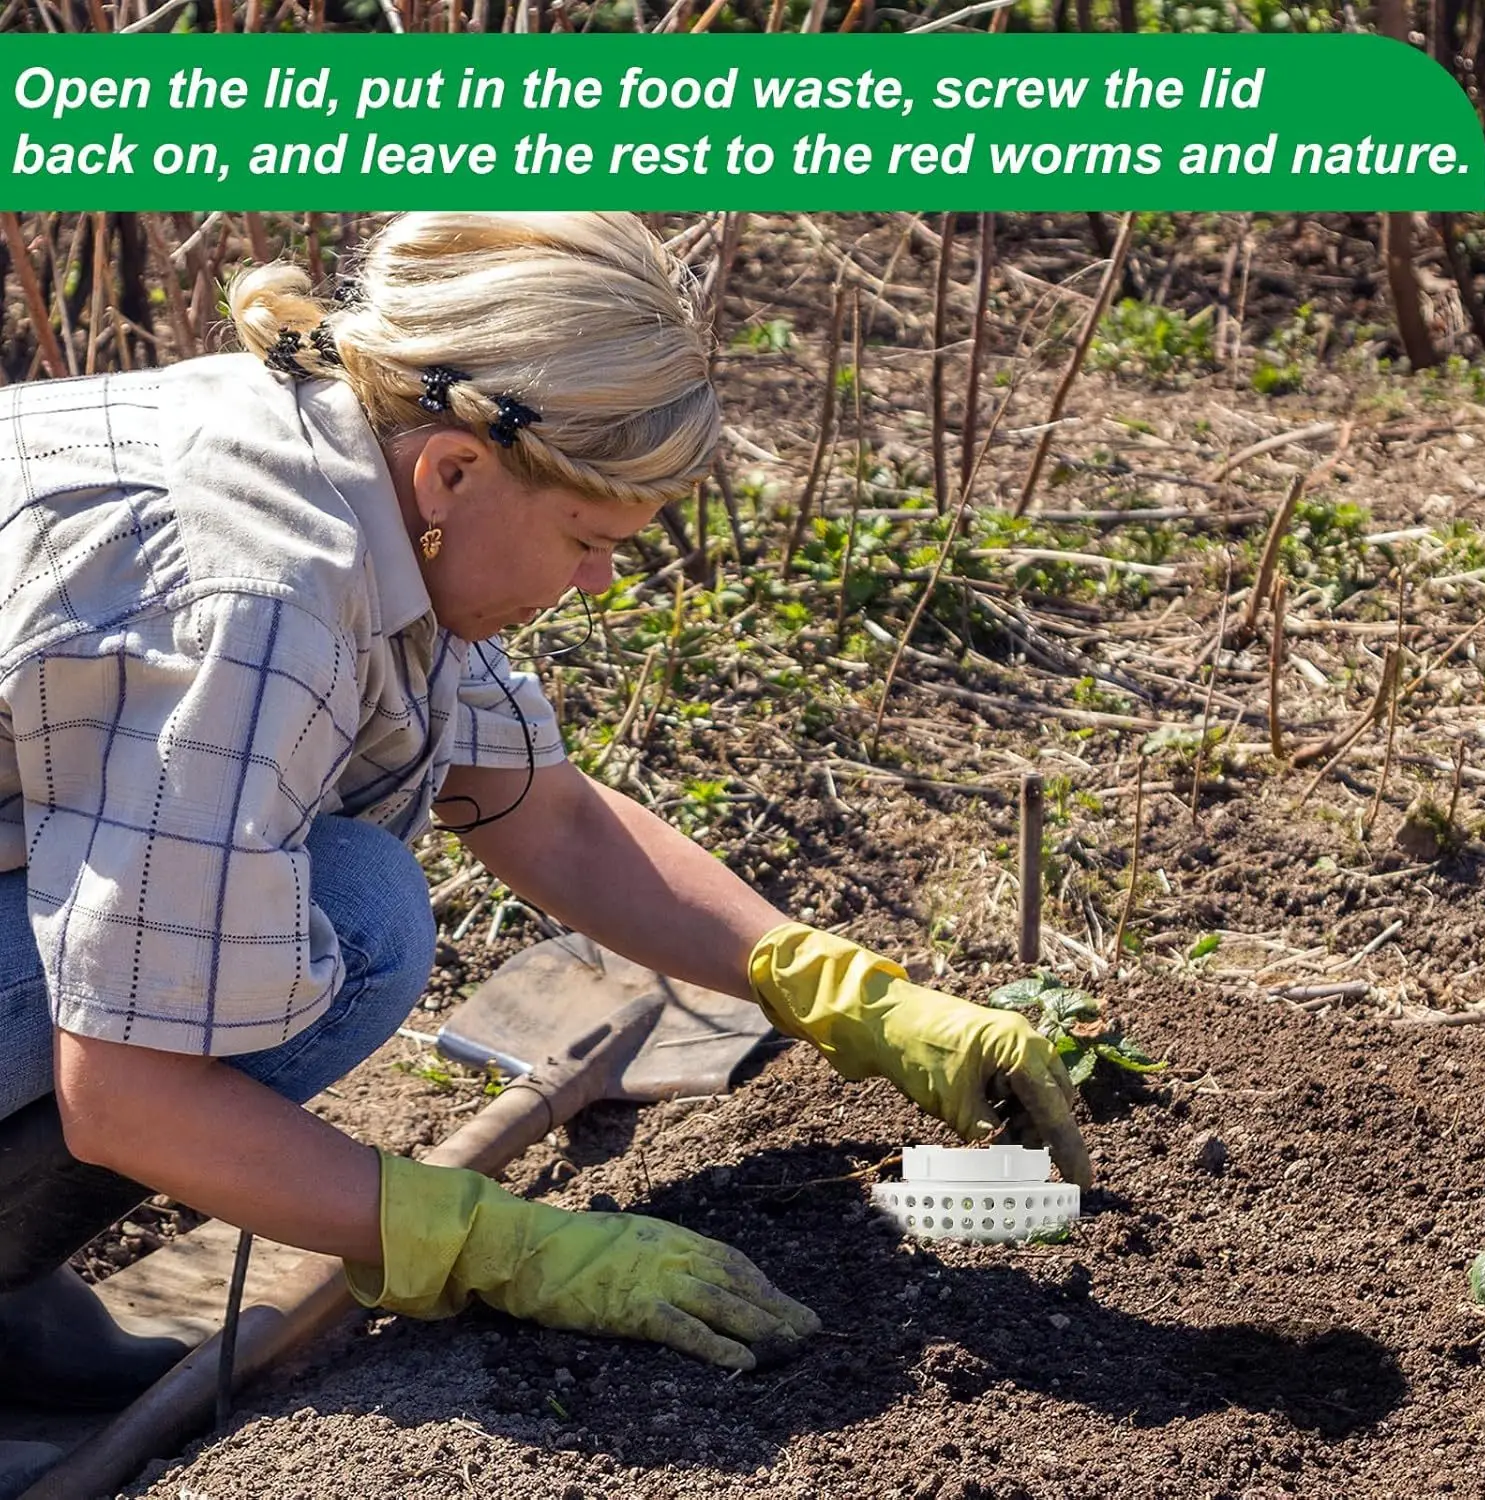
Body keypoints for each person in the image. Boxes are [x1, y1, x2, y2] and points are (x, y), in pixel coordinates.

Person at [0, 212, 1091, 1436]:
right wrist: (495, 1245)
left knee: (349, 908)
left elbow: (542, 812)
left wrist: (833, 987)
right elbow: (132, 1094)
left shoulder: (352, 466)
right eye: (586, 539)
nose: (598, 584)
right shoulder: (255, 590)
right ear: (457, 469)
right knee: (353, 924)